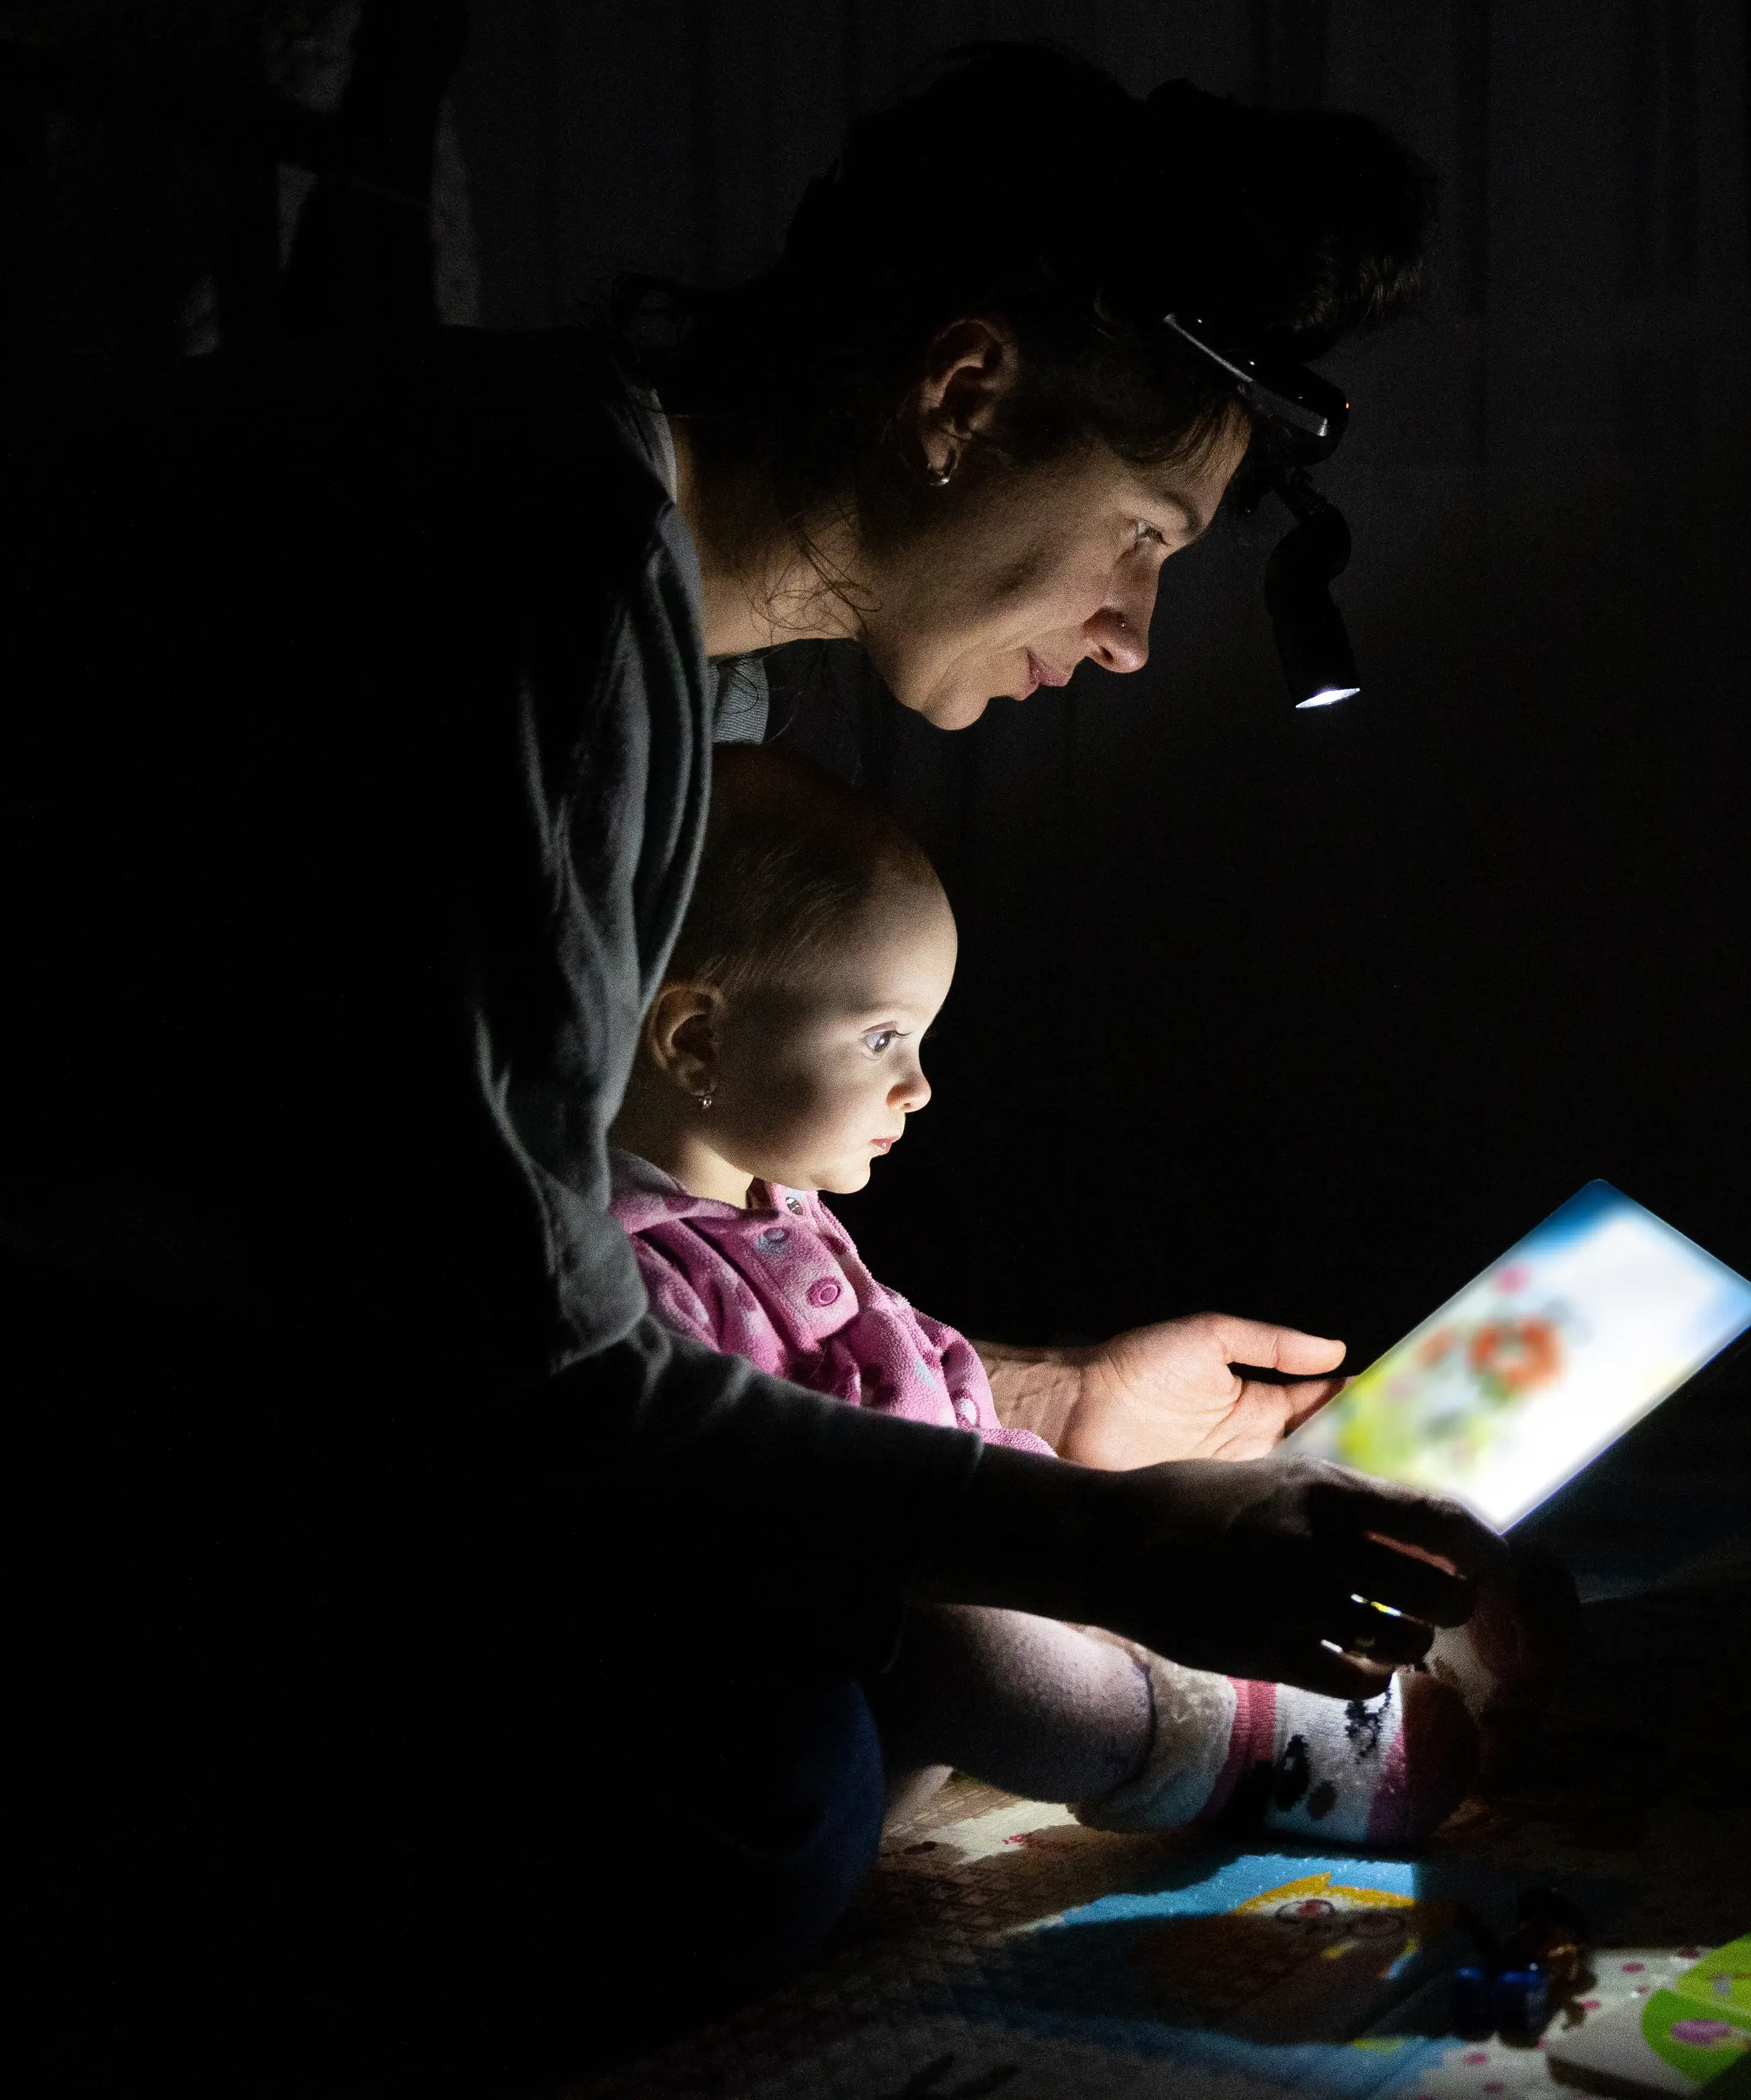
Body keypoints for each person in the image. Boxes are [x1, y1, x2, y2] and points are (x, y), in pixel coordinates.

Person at [0, 46, 1470, 2084]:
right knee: (754, 1772)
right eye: (1143, 533)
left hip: (203, 1361)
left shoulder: (651, 608)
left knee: (827, 1648)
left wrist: (1051, 1398)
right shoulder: (531, 556)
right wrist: (1103, 1544)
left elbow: (580, 1246)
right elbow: (507, 1368)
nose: (1129, 631)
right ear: (961, 395)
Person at [612, 742, 1512, 1847]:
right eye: (882, 1037)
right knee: (961, 1644)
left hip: (929, 1598)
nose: (921, 1084)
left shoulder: (776, 1198)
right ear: (697, 1036)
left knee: (1125, 1571)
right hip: (815, 1708)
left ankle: (1360, 1662)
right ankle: (1226, 1757)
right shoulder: (628, 1278)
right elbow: (767, 1530)